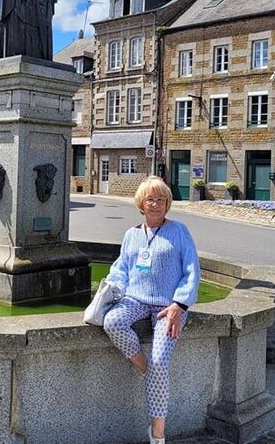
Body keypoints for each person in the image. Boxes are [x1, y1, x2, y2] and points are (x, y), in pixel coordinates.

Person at [103, 176, 201, 444]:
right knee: (112, 322)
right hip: (135, 299)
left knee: (161, 361)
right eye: (150, 199)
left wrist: (179, 305)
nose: (155, 204)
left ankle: (157, 436)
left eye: (160, 199)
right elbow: (121, 269)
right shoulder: (131, 235)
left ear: (167, 203)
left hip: (167, 306)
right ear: (141, 204)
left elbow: (192, 270)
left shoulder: (179, 231)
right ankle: (147, 370)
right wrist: (112, 289)